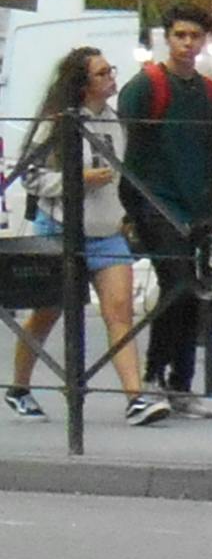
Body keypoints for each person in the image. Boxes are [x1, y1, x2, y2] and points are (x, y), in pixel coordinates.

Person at [9, 43, 151, 424]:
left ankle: (135, 397)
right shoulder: (56, 122)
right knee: (46, 314)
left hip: (106, 230)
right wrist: (76, 180)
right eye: (102, 73)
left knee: (119, 311)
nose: (111, 79)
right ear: (82, 82)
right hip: (62, 230)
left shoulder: (114, 120)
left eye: (111, 71)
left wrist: (125, 214)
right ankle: (19, 387)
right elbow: (32, 175)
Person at [119, 4, 212, 414]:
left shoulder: (209, 92)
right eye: (180, 35)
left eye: (195, 36)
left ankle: (180, 383)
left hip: (197, 205)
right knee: (180, 284)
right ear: (166, 38)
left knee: (194, 292)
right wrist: (133, 201)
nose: (187, 43)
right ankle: (153, 377)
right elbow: (124, 142)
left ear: (204, 41)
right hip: (156, 203)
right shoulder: (146, 85)